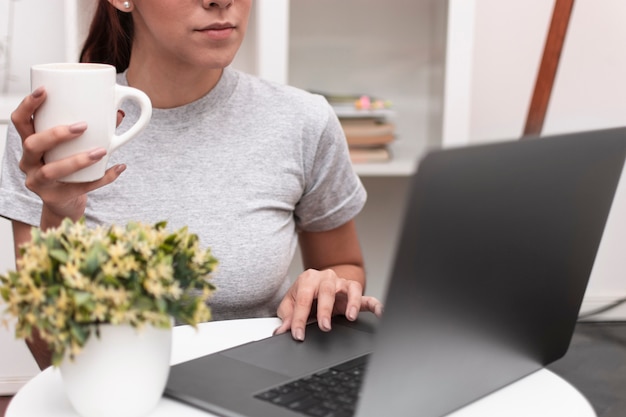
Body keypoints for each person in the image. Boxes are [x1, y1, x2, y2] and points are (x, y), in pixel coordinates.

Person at [0, 0, 383, 369]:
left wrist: (326, 287)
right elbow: (51, 357)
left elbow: (342, 264)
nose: (220, 0)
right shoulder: (54, 131)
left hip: (252, 394)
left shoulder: (303, 120)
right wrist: (57, 213)